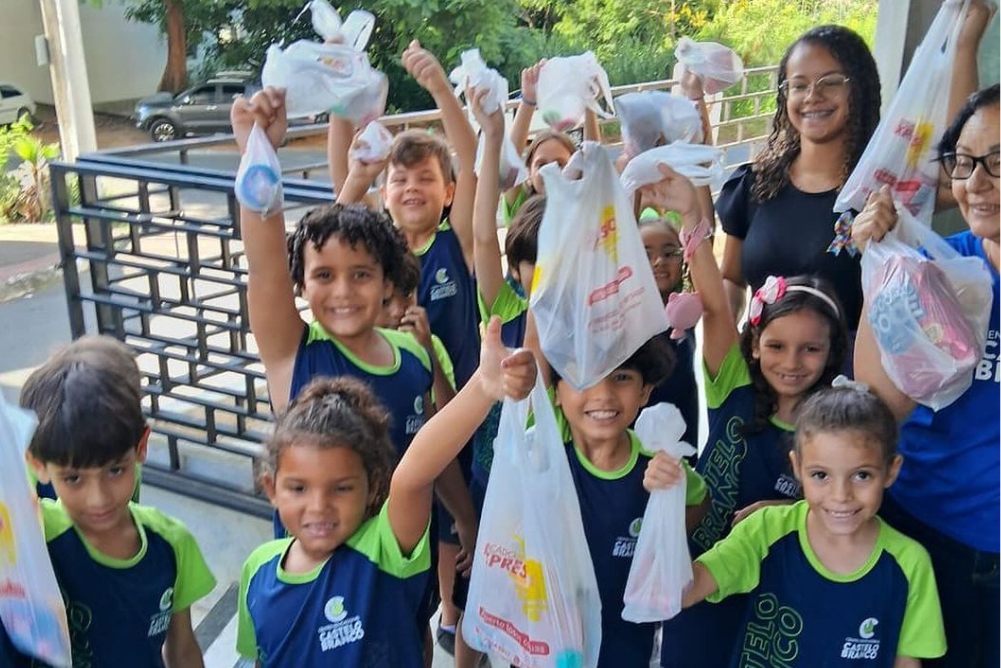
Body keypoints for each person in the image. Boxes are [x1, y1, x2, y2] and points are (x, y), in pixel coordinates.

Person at [236, 317, 537, 668]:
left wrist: (483, 388)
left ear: (373, 487)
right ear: (272, 488)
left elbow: (415, 472)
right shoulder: (258, 569)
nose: (319, 506)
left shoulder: (384, 548)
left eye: (342, 488)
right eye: (298, 488)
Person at [642, 165, 849, 668]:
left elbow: (853, 506)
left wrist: (788, 517)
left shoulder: (839, 426)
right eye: (776, 345)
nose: (791, 362)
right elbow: (715, 308)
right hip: (701, 578)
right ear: (754, 344)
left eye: (810, 349)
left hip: (779, 597)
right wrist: (693, 218)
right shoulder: (730, 386)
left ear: (831, 352)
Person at [851, 83, 1000, 668]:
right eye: (963, 162)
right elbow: (878, 407)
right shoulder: (935, 270)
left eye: (997, 161)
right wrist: (881, 266)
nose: (975, 182)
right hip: (924, 538)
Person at [647, 384, 946, 668]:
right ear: (797, 468)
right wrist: (670, 497)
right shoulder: (767, 531)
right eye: (820, 475)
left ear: (891, 471)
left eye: (862, 476)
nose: (841, 496)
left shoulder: (909, 563)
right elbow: (682, 592)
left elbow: (905, 660)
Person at [6, 336, 216, 668]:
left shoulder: (172, 543)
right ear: (38, 464)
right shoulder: (29, 536)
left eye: (115, 470)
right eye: (74, 478)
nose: (99, 498)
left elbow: (183, 648)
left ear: (141, 447)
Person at [716, 25, 881, 328]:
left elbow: (954, 171)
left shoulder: (878, 194)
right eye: (799, 85)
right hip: (760, 369)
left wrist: (964, 43)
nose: (813, 96)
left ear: (859, 89)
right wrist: (726, 356)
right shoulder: (754, 184)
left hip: (850, 373)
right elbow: (732, 279)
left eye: (830, 83)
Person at [638, 214, 701, 449]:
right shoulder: (626, 318)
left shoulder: (690, 310)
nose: (658, 262)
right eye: (645, 255)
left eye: (669, 253)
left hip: (683, 430)